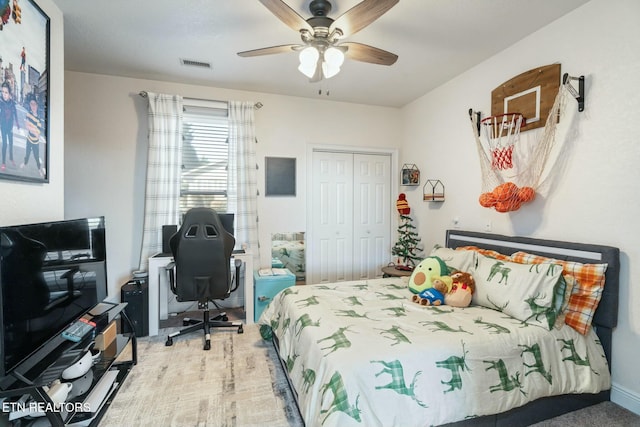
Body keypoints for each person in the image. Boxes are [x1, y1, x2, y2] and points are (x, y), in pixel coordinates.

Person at [21, 93, 45, 177]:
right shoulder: (28, 114)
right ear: (30, 105)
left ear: (37, 105)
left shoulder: (38, 119)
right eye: (31, 104)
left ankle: (39, 169)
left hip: (36, 142)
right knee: (27, 153)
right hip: (29, 139)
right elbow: (27, 126)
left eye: (34, 104)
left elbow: (38, 134)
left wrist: (32, 128)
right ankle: (25, 163)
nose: (33, 106)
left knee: (36, 156)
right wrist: (33, 129)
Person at [0, 81, 19, 171]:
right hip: (3, 126)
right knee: (4, 144)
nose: (4, 94)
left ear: (9, 94)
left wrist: (18, 124)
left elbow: (15, 113)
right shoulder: (0, 102)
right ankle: (3, 162)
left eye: (6, 92)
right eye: (2, 92)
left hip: (10, 126)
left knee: (11, 143)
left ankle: (11, 158)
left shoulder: (12, 103)